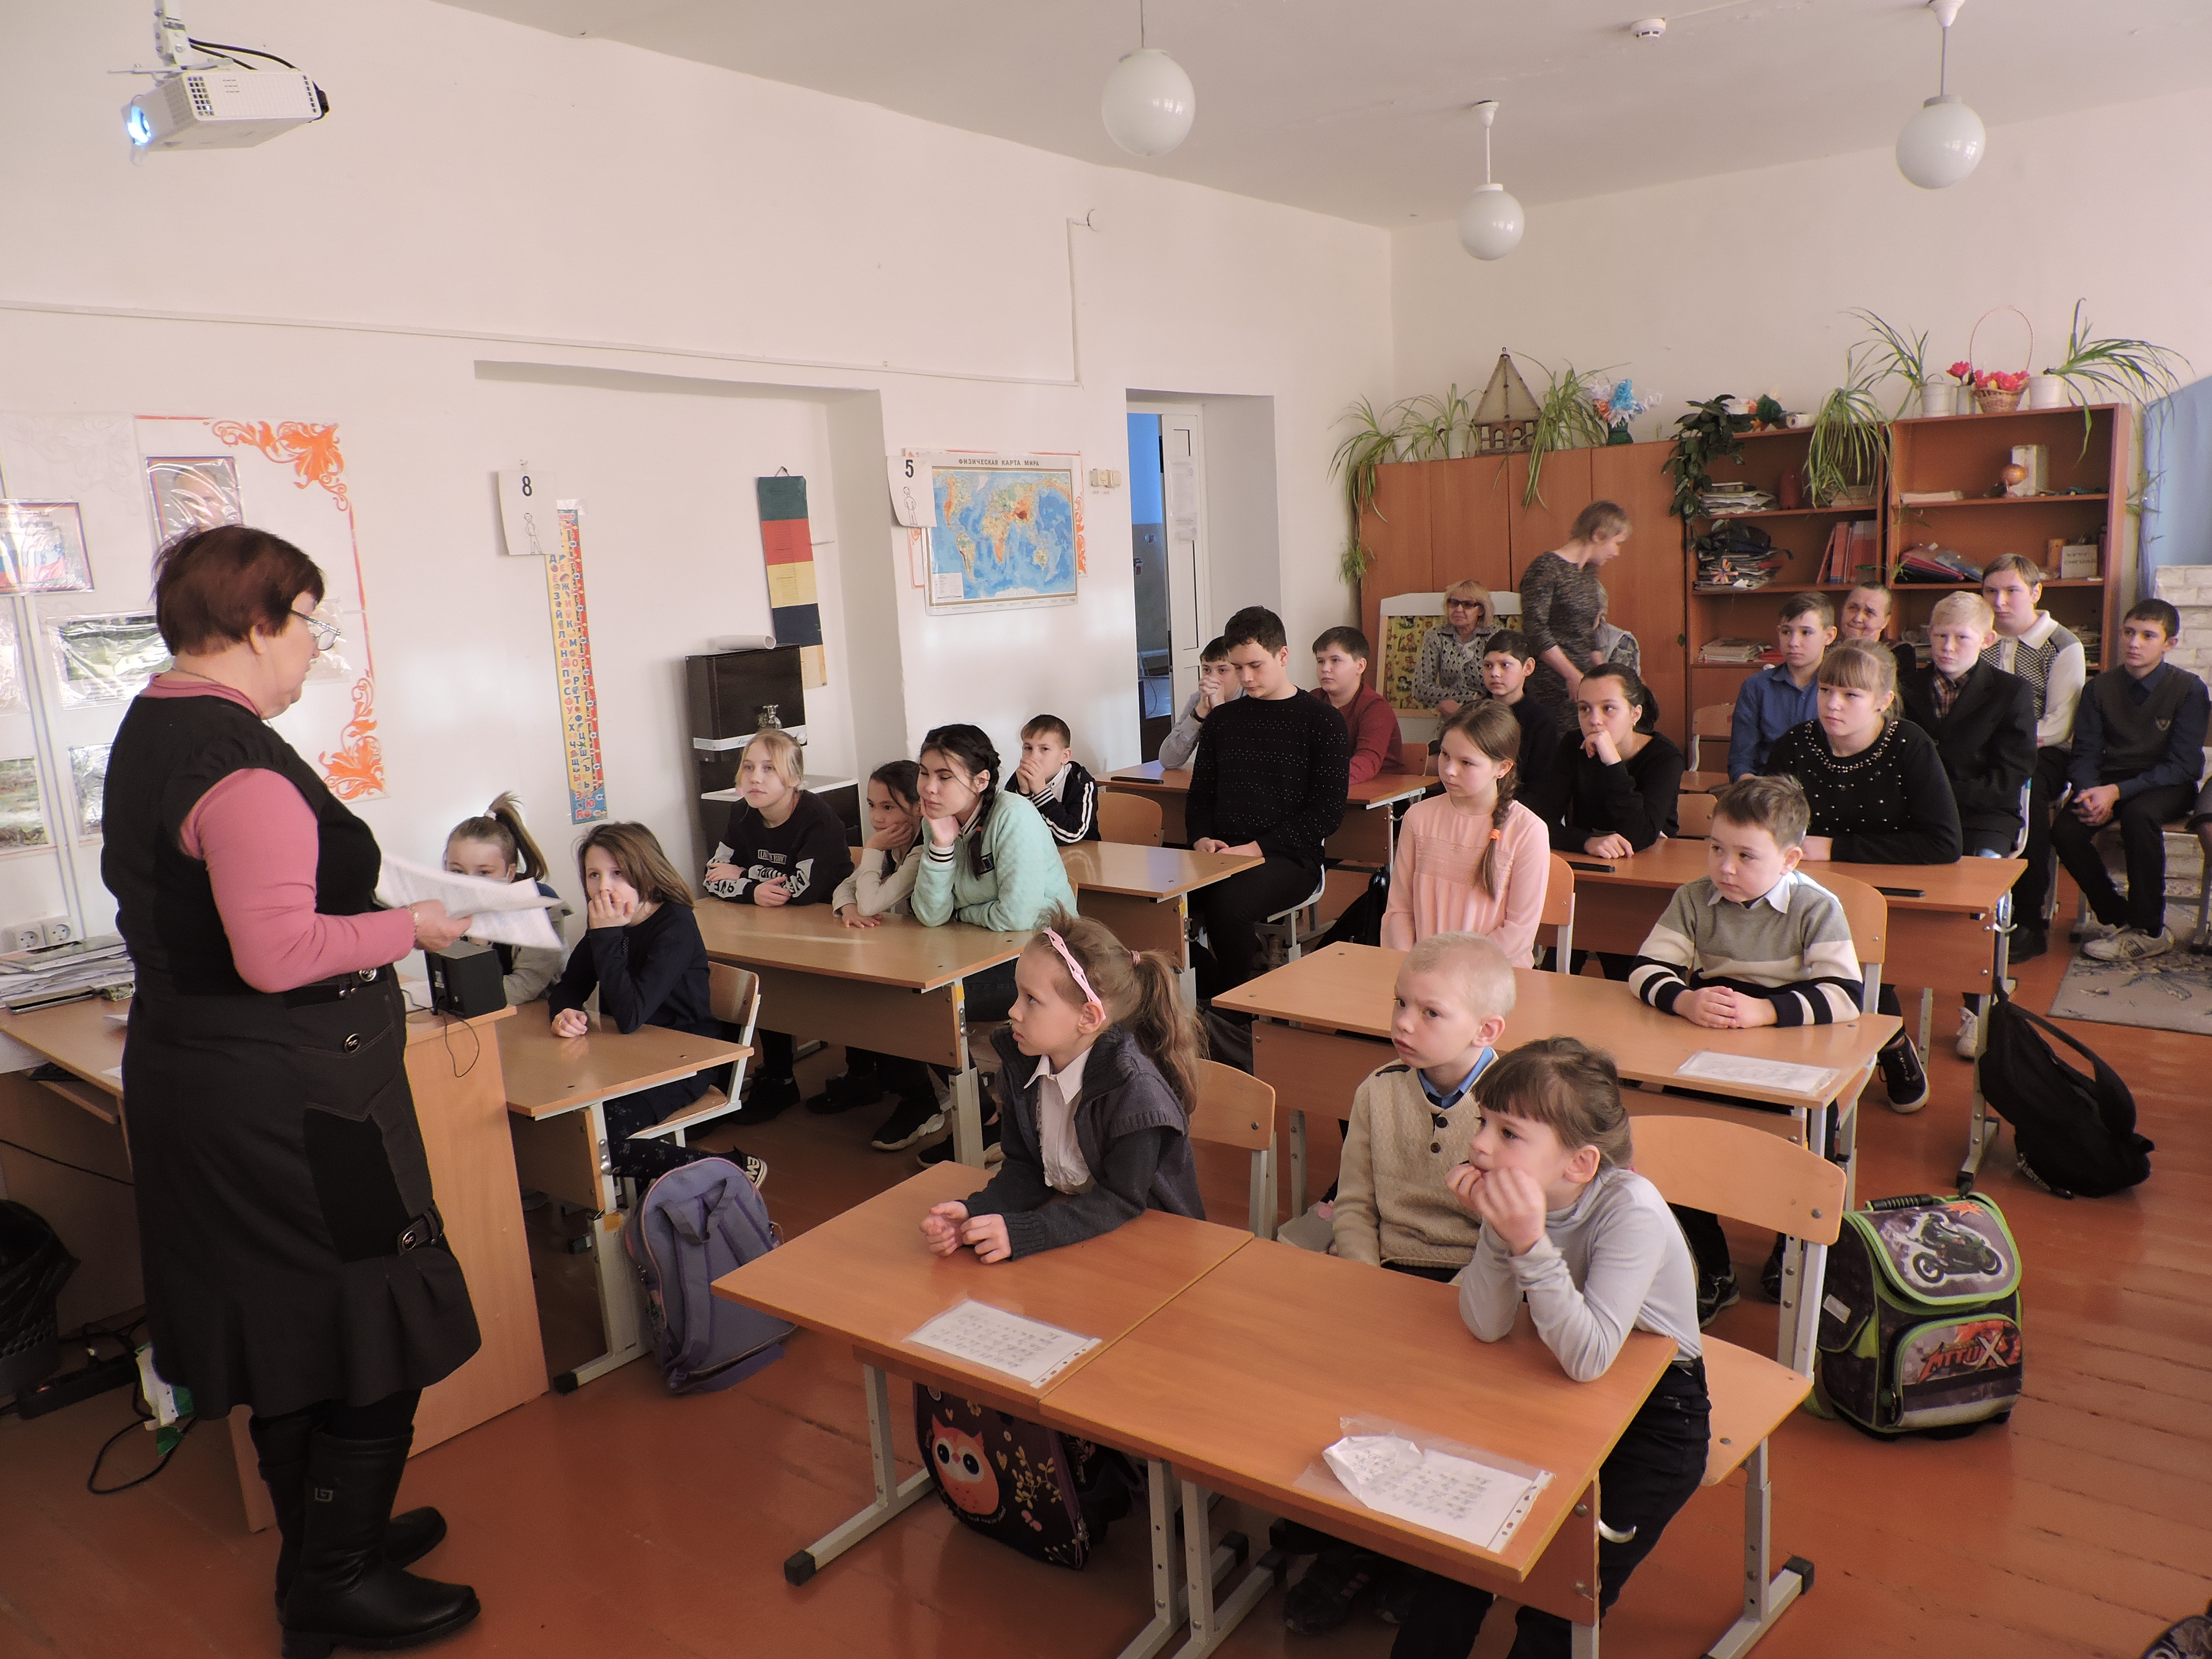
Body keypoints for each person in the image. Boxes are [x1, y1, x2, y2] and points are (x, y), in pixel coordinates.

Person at [105, 526, 483, 1655]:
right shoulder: (241, 767)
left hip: (199, 1079)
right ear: (258, 623)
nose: (318, 646)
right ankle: (335, 1575)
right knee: (374, 1301)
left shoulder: (154, 725)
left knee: (287, 1319)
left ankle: (327, 1541)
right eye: (311, 621)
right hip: (293, 1103)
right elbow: (276, 952)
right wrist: (410, 927)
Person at [1389, 1037, 1707, 1659]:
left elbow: (1590, 1359)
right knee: (1458, 1561)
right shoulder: (1518, 1199)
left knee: (1562, 1599)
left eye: (1508, 1133)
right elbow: (1486, 1323)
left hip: (1660, 1415)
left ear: (1580, 1163)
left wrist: (1529, 1244)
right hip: (1547, 1386)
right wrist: (1500, 1233)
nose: (1480, 1146)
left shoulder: (1632, 1211)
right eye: (1484, 1122)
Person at [1284, 932, 1513, 1636]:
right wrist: (1367, 1281)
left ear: (1486, 1031)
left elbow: (1508, 1236)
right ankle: (1353, 1543)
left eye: (1430, 1012)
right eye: (1400, 1004)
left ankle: (1419, 1555)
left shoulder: (1515, 1113)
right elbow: (1353, 1204)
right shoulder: (1378, 1091)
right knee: (1333, 1392)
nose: (1404, 1024)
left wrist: (1450, 1299)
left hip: (1474, 1287)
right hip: (1385, 1271)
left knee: (1440, 1410)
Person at [1626, 775, 1863, 1320]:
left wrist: (1767, 1010)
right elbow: (1646, 969)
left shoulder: (1816, 907)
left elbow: (1845, 996)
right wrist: (1684, 1000)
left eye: (1745, 856)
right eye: (1716, 849)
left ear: (1790, 860)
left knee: (1802, 1141)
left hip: (1794, 1057)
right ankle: (1710, 1266)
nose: (1726, 868)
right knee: (1669, 1135)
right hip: (1710, 1048)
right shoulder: (1694, 898)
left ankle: (1791, 1244)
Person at [920, 910, 1202, 1262]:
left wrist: (1023, 1232)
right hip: (1081, 1232)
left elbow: (1121, 1201)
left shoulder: (1135, 1096)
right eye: (1017, 994)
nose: (1013, 1011)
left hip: (1155, 1248)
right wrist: (975, 1212)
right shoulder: (1022, 1066)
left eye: (1031, 999)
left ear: (1088, 1017)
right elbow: (1026, 1168)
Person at [1763, 641, 1960, 1112]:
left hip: (1886, 889)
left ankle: (1892, 1044)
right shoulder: (1795, 745)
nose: (1833, 704)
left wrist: (1837, 848)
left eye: (1850, 695)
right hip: (1806, 885)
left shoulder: (1910, 745)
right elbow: (1769, 827)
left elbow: (1943, 843)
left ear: (1883, 701)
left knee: (1857, 945)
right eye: (1826, 690)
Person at [883, 724, 1079, 1156]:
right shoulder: (941, 822)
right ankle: (985, 1115)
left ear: (980, 780)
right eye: (924, 773)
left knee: (929, 1004)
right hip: (981, 952)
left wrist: (964, 912)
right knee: (907, 995)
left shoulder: (1013, 816)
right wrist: (941, 846)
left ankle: (984, 1120)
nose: (928, 788)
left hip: (1046, 963)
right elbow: (930, 914)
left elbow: (1019, 917)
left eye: (944, 777)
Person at [549, 822, 767, 1190]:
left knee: (602, 1143)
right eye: (594, 875)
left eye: (618, 873)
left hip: (687, 1061)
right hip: (626, 1057)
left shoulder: (674, 924)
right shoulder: (607, 922)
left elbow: (630, 1015)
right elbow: (570, 984)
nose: (603, 887)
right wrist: (564, 1011)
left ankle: (730, 1168)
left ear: (646, 874)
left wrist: (607, 935)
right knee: (571, 1124)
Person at [1186, 606, 1352, 997]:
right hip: (1222, 853)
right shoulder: (1223, 720)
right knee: (1153, 903)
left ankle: (1237, 1008)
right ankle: (1208, 988)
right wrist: (1201, 839)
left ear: (1283, 656)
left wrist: (1255, 849)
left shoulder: (1323, 722)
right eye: (1237, 668)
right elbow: (1201, 795)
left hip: (1290, 858)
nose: (1246, 678)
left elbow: (1326, 813)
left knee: (1228, 904)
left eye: (1256, 666)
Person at [1901, 594, 2036, 1058]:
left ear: (1987, 639)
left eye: (1961, 637)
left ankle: (1978, 1005)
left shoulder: (2011, 692)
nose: (1947, 647)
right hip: (1916, 813)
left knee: (1979, 895)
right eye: (1940, 636)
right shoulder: (1906, 686)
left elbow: (2010, 776)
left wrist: (1942, 794)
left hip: (1984, 816)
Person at [701, 728, 853, 1121]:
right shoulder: (741, 813)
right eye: (749, 767)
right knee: (748, 970)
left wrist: (745, 873)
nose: (756, 778)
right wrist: (753, 891)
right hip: (772, 928)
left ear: (794, 778)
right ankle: (773, 1078)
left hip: (831, 933)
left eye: (769, 769)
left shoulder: (818, 819)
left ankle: (859, 1073)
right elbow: (712, 876)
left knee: (779, 981)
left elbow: (802, 890)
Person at [2053, 600, 2211, 964]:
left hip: (2166, 784)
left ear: (2169, 643)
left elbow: (2184, 765)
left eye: (2147, 636)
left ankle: (2149, 930)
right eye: (2128, 632)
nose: (2134, 643)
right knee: (2065, 830)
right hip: (2108, 782)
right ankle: (2120, 916)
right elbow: (2085, 753)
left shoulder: (2188, 689)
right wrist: (2089, 792)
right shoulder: (2099, 688)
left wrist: (2117, 792)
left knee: (2140, 816)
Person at [1381, 703, 1549, 966]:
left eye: (1466, 762)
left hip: (1491, 975)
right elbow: (1399, 910)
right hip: (1424, 973)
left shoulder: (1528, 831)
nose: (1449, 769)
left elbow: (1519, 930)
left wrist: (1456, 971)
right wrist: (1410, 965)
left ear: (1503, 768)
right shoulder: (1418, 817)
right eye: (1445, 755)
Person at [1980, 553, 2088, 961]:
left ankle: (2030, 919)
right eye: (1991, 592)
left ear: (2036, 592)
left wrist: (2005, 746)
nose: (2000, 601)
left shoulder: (2062, 644)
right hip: (1985, 749)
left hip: (2044, 752)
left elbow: (2060, 722)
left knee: (2026, 799)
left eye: (2012, 591)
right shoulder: (1980, 637)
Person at [814, 760, 932, 1116]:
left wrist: (873, 849)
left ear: (918, 807)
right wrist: (848, 908)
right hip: (904, 949)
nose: (877, 818)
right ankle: (864, 1077)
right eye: (871, 805)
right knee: (853, 983)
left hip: (932, 956)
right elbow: (846, 889)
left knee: (884, 998)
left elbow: (872, 902)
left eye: (888, 807)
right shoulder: (890, 844)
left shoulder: (922, 849)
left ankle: (920, 1096)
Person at [1539, 663, 1683, 860]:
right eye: (1584, 708)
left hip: (1651, 861)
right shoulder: (1573, 745)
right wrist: (1586, 842)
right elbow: (1539, 822)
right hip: (1591, 861)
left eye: (1608, 708)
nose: (1595, 720)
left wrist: (1613, 763)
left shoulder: (1665, 757)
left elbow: (1640, 836)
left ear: (1635, 714)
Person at [443, 791, 568, 1007]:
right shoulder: (448, 906)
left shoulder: (542, 908)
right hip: (482, 1015)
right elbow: (449, 981)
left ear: (509, 874)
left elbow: (522, 989)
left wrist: (479, 941)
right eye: (458, 872)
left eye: (484, 873)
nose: (470, 884)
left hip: (539, 1015)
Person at [1517, 502, 1630, 731]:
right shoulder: (1547, 567)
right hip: (1552, 686)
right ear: (1598, 535)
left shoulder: (1588, 572)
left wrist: (1603, 673)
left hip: (1583, 683)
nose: (1617, 553)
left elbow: (1589, 632)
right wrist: (1572, 675)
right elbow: (1535, 629)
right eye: (1617, 544)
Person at [1728, 594, 1835, 780]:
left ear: (1829, 636)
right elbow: (1741, 761)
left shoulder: (1840, 689)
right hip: (1768, 787)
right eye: (1786, 632)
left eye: (1806, 633)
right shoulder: (1756, 687)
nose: (1793, 643)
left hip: (1825, 787)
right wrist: (1753, 789)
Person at [1312, 625, 1407, 783]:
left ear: (1361, 666)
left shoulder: (1375, 707)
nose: (1325, 669)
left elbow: (1367, 761)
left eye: (1335, 660)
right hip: (1334, 787)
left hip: (1380, 791)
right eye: (1320, 661)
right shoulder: (1313, 700)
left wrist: (1321, 780)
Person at [1479, 628, 1557, 797]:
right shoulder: (1473, 714)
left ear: (1528, 667)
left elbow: (1541, 787)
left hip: (1519, 806)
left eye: (1504, 665)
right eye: (1488, 666)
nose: (1495, 673)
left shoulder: (1541, 722)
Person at [1411, 580, 1496, 720]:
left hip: (1488, 717)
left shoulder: (1495, 636)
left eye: (1467, 604)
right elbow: (1420, 689)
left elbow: (1505, 686)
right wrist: (1471, 698)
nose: (1458, 609)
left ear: (1481, 610)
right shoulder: (1436, 636)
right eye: (1453, 603)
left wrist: (1476, 705)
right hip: (1451, 719)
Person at [1013, 714, 1100, 844]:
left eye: (1045, 749)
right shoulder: (1020, 778)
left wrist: (1041, 793)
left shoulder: (1082, 783)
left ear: (1065, 757)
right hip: (1036, 853)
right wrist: (1023, 793)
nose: (1033, 757)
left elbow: (1073, 834)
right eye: (1028, 748)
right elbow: (1010, 831)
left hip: (1080, 852)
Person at [1158, 635, 1239, 770]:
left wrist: (1220, 710)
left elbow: (1240, 763)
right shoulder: (1198, 699)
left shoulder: (1252, 699)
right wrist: (1200, 712)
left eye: (1222, 670)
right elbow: (1168, 760)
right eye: (1207, 670)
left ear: (1238, 671)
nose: (1212, 678)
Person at [1839, 581, 1918, 681]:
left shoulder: (1899, 654)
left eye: (1869, 612)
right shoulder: (1827, 650)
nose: (1858, 619)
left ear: (1885, 621)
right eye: (1853, 608)